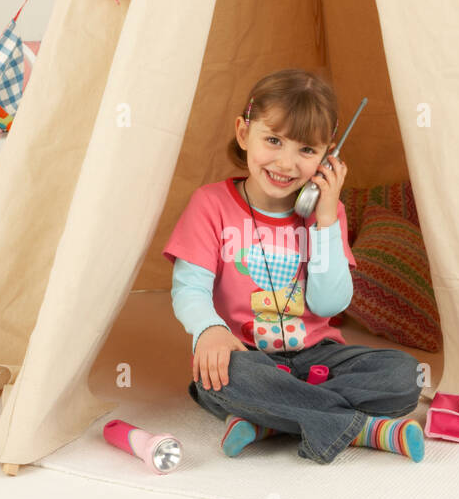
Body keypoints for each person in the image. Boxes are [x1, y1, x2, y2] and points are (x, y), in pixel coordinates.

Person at [164, 69, 423, 464]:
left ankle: (271, 419)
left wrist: (324, 223)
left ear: (327, 157)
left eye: (306, 150)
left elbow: (329, 304)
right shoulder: (210, 204)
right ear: (243, 133)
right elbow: (189, 290)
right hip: (244, 354)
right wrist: (209, 329)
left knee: (403, 376)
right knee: (223, 377)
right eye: (273, 140)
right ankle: (364, 428)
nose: (286, 163)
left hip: (316, 356)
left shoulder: (327, 215)